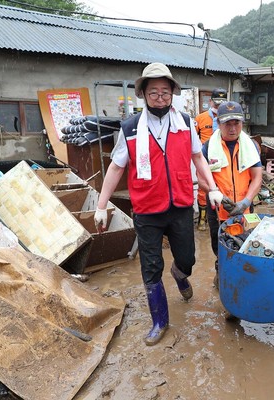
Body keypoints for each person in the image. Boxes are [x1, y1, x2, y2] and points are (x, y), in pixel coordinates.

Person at [93, 63, 224, 346]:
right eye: (154, 93)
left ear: (173, 94)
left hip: (179, 206)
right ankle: (159, 322)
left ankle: (179, 275)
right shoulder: (129, 128)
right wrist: (101, 206)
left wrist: (212, 188)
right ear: (143, 95)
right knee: (151, 268)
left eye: (165, 92)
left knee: (187, 259)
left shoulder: (186, 123)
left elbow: (197, 158)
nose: (161, 98)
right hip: (147, 210)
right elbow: (116, 168)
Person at [197, 101, 263, 288]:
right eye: (227, 123)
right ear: (218, 122)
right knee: (220, 247)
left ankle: (241, 281)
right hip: (218, 208)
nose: (233, 128)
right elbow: (200, 179)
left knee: (247, 244)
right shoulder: (208, 147)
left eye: (237, 123)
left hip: (245, 207)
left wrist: (246, 201)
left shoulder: (251, 146)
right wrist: (214, 192)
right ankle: (222, 273)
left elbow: (257, 177)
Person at [194, 88, 228, 231]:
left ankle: (220, 218)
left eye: (222, 103)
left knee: (224, 186)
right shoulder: (200, 118)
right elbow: (193, 139)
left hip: (224, 158)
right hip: (205, 158)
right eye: (216, 102)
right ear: (210, 101)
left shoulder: (229, 117)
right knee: (204, 189)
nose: (218, 106)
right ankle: (203, 219)